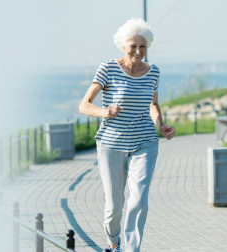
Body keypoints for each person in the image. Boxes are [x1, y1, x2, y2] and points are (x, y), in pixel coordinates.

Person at [78, 18, 175, 252]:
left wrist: (161, 126)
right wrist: (104, 111)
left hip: (145, 142)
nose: (138, 51)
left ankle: (132, 249)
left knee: (139, 200)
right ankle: (114, 243)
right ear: (123, 45)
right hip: (111, 144)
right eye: (133, 46)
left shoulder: (153, 72)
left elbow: (153, 105)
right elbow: (84, 105)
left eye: (143, 46)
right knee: (114, 207)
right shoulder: (108, 68)